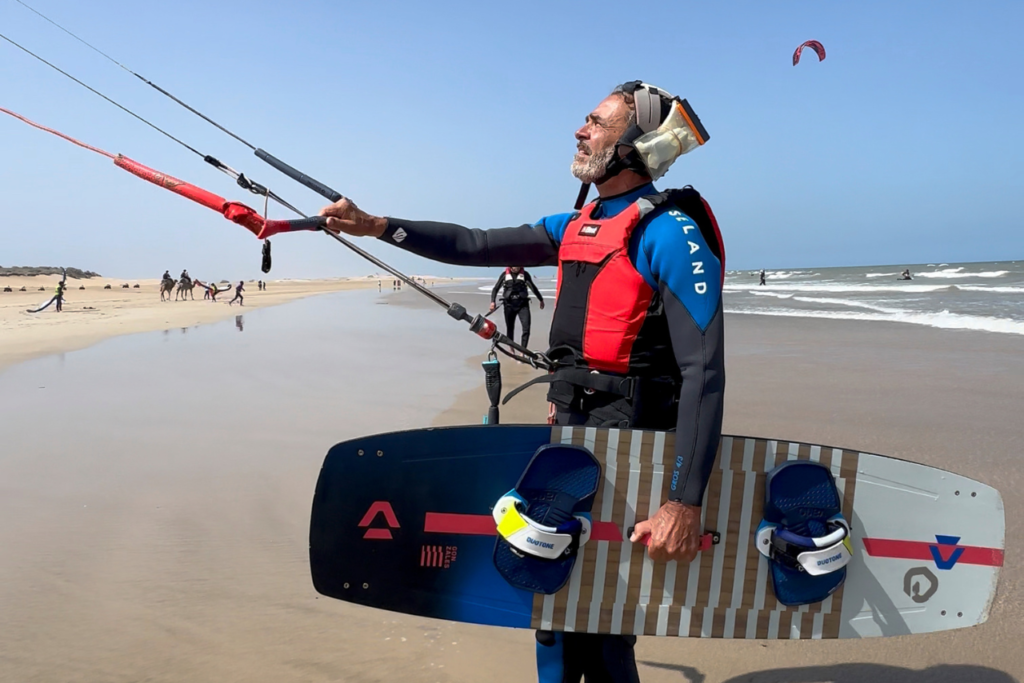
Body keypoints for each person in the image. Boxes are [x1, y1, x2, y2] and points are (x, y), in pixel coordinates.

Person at [318, 80, 724, 683]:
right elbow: (474, 244)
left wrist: (683, 502)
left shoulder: (670, 231)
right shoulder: (578, 224)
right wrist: (378, 225)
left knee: (607, 625)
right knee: (549, 609)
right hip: (566, 429)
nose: (579, 130)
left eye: (596, 121)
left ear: (637, 144)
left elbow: (704, 371)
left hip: (631, 437)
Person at [490, 266, 545, 348]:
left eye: (516, 265)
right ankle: (511, 349)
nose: (514, 267)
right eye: (512, 265)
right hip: (509, 305)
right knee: (510, 328)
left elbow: (533, 288)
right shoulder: (504, 275)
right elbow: (495, 288)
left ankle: (522, 351)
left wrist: (541, 299)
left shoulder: (525, 275)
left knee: (526, 328)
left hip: (523, 305)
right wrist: (492, 301)